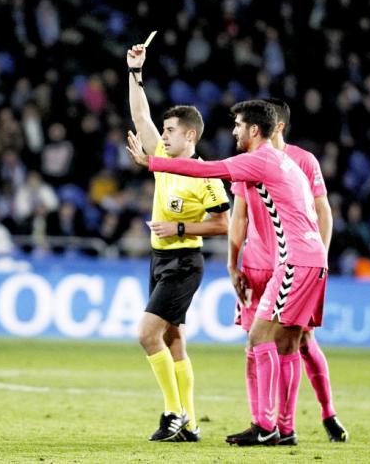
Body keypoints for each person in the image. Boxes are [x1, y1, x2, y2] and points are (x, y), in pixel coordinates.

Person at [127, 99, 328, 446]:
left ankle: (266, 427)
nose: (233, 131)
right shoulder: (285, 160)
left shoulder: (260, 159)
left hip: (296, 261)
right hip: (310, 258)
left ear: (254, 129)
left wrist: (152, 162)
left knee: (259, 337)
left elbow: (208, 170)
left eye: (237, 125)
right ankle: (280, 427)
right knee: (287, 341)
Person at [126, 43, 230, 442]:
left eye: (169, 131)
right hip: (159, 259)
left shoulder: (206, 176)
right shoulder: (165, 161)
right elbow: (140, 114)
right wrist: (135, 72)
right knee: (173, 338)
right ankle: (189, 422)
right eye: (163, 131)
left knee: (147, 334)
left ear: (190, 135)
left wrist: (181, 230)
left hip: (185, 261)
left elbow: (224, 224)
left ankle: (173, 413)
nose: (162, 136)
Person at [228, 98, 347, 444]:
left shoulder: (302, 161)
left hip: (294, 266)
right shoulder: (249, 160)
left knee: (301, 341)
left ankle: (319, 415)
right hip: (257, 265)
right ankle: (261, 422)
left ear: (278, 126)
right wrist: (232, 261)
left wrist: (318, 259)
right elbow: (240, 215)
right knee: (255, 344)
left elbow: (323, 213)